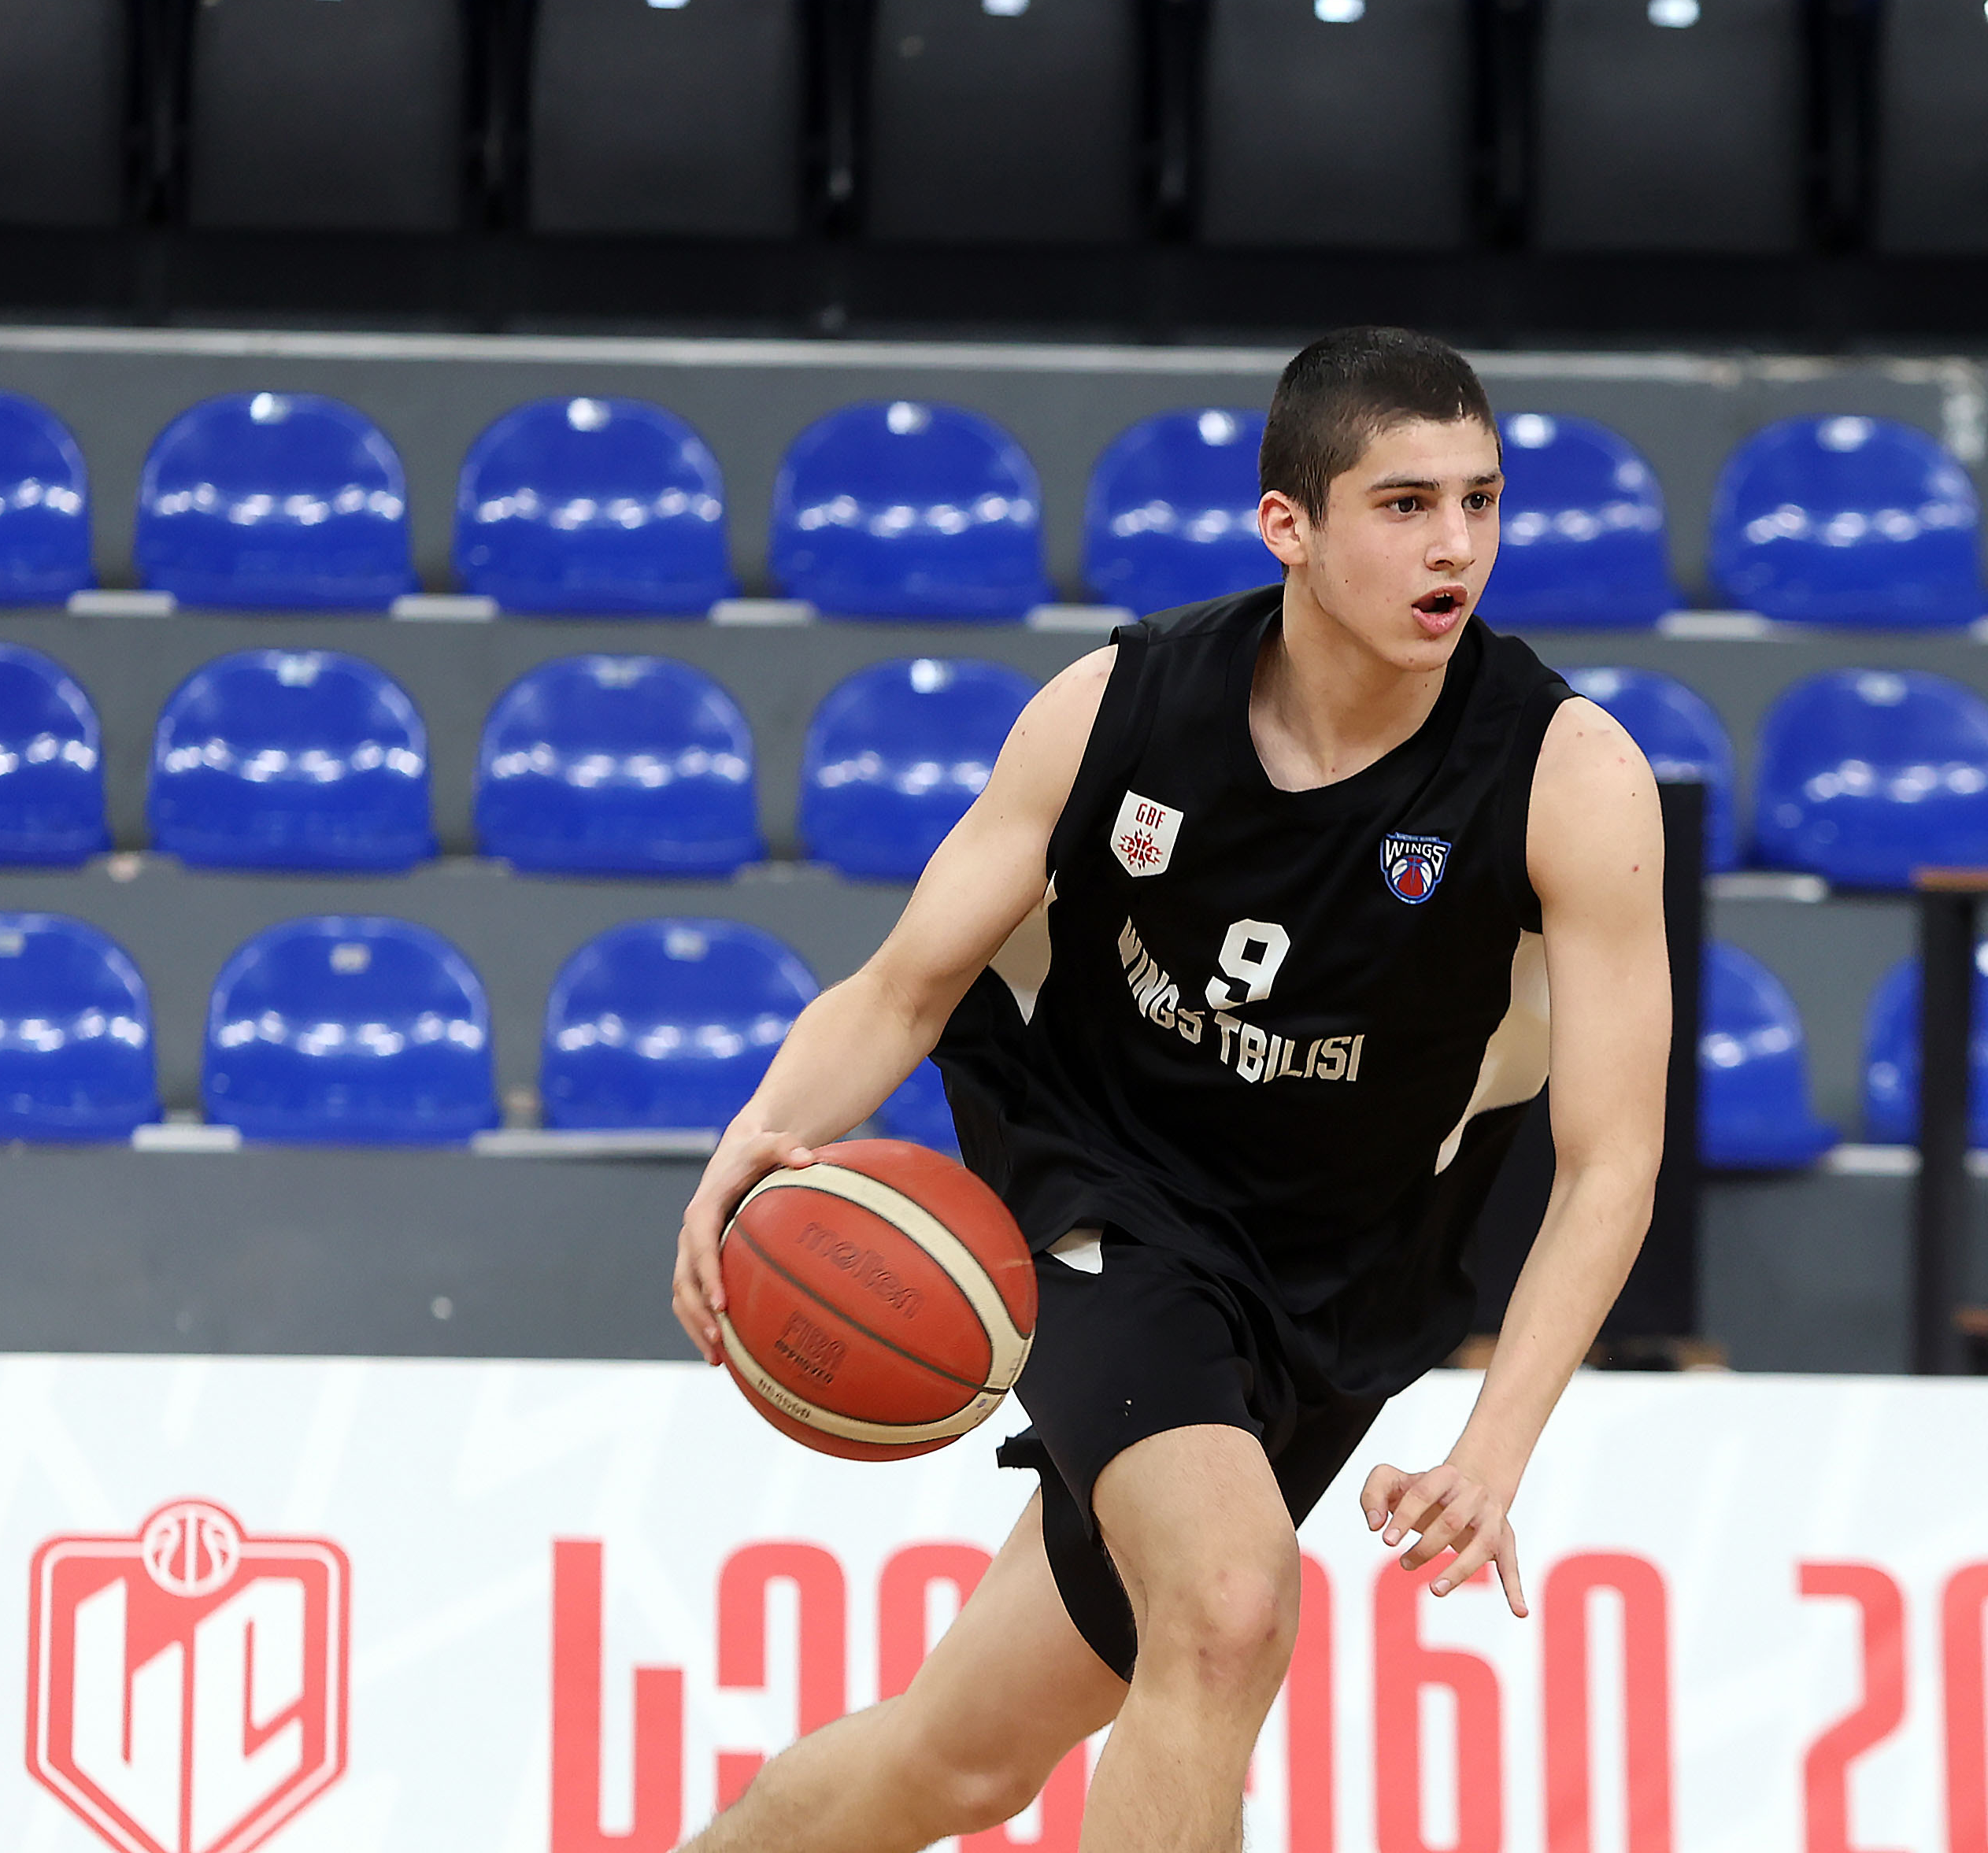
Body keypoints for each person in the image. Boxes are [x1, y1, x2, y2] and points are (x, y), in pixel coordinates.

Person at [667, 326, 1671, 1853]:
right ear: (1289, 525)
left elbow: (1610, 1163)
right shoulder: (1117, 708)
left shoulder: (1566, 776)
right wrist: (754, 1145)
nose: (1456, 546)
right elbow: (902, 988)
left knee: (961, 1760)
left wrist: (1494, 1448)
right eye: (1404, 504)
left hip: (1336, 1282)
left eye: (1480, 499)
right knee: (1227, 1605)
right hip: (1103, 1197)